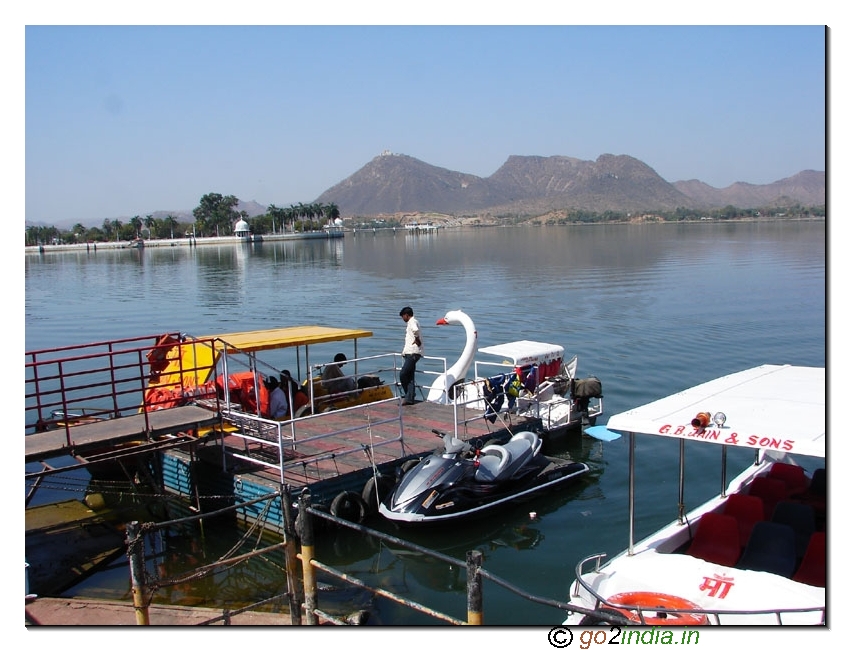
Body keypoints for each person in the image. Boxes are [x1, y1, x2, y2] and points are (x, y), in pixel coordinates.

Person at [399, 306, 423, 405]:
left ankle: (408, 395)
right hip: (411, 353)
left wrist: (417, 338)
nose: (402, 319)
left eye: (403, 316)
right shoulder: (413, 322)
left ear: (406, 315)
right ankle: (410, 397)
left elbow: (415, 330)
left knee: (403, 374)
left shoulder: (412, 322)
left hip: (413, 353)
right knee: (410, 377)